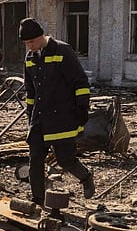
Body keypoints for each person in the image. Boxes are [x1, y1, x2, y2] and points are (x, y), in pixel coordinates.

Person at [20, 17, 95, 207]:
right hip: (39, 119)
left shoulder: (62, 50)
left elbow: (80, 82)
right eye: (26, 43)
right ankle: (37, 200)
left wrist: (82, 109)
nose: (29, 47)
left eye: (31, 42)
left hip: (62, 117)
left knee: (65, 160)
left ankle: (85, 177)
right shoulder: (29, 58)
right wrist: (30, 116)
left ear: (41, 36)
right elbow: (30, 92)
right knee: (35, 160)